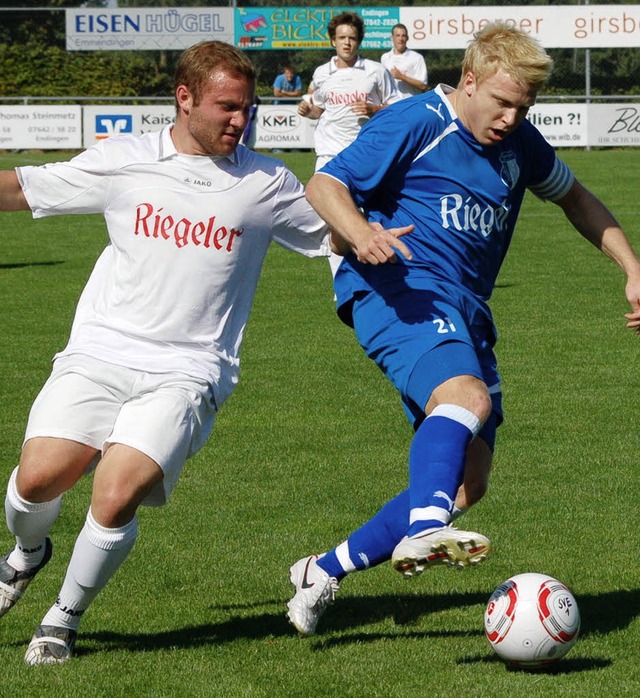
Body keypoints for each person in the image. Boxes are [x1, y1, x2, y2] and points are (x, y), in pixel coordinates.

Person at [286, 21, 640, 637]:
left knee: (467, 482)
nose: (510, 117)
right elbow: (325, 184)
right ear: (469, 81)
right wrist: (364, 235)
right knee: (465, 400)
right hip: (397, 286)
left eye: (523, 107)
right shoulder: (418, 121)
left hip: (467, 305)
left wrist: (632, 267)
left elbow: (578, 199)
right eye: (502, 102)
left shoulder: (520, 145)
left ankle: (323, 570)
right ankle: (425, 527)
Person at [0, 40, 329, 665]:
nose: (240, 120)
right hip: (98, 353)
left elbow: (336, 232)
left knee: (115, 493)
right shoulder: (127, 160)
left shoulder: (266, 183)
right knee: (37, 480)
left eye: (248, 108)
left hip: (188, 370)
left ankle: (62, 619)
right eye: (226, 107)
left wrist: (390, 236)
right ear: (183, 99)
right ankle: (25, 555)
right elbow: (24, 189)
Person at [297, 11, 399, 279]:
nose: (347, 43)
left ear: (359, 41)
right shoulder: (322, 73)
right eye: (341, 37)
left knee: (369, 216)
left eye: (352, 38)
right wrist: (309, 111)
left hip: (365, 156)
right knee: (334, 220)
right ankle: (340, 285)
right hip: (329, 155)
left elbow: (398, 108)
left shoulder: (376, 71)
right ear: (333, 41)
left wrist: (375, 108)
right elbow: (319, 109)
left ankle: (377, 273)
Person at [380, 23, 428, 99]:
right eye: (397, 35)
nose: (400, 39)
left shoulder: (417, 57)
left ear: (407, 38)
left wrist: (402, 77)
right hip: (391, 104)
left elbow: (423, 86)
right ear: (392, 38)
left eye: (403, 36)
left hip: (410, 103)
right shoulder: (385, 57)